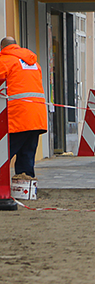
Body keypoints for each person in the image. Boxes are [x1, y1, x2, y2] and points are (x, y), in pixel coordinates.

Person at [1, 37, 46, 180]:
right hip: (36, 117)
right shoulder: (33, 63)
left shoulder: (4, 61)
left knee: (4, 153)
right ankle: (26, 187)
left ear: (2, 48)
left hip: (17, 117)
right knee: (27, 155)